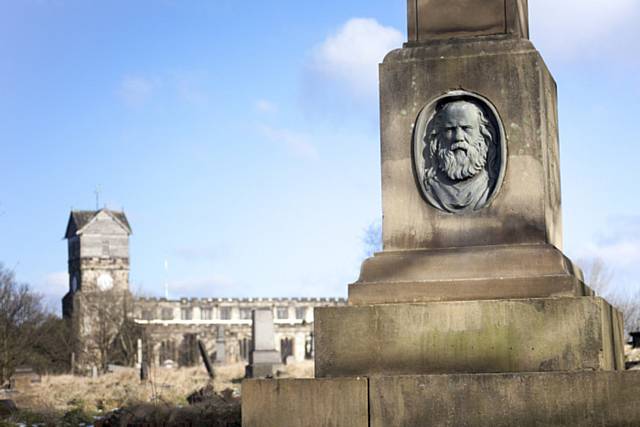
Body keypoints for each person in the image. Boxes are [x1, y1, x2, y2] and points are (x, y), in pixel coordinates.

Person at [423, 99, 497, 213]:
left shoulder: (489, 185)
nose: (458, 137)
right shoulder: (431, 187)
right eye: (450, 129)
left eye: (466, 128)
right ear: (438, 136)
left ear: (483, 133)